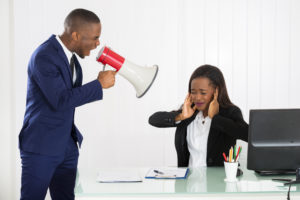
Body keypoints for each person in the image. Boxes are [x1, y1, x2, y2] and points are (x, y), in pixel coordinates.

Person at [18, 8, 116, 200]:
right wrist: (98, 85)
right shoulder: (44, 56)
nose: (98, 44)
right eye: (95, 38)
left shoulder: (70, 58)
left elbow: (71, 96)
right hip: (41, 146)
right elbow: (60, 100)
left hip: (67, 146)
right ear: (76, 35)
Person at [149, 64, 248, 167]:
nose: (197, 97)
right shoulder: (189, 112)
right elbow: (153, 119)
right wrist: (181, 116)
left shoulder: (230, 112)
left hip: (218, 181)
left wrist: (216, 118)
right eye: (193, 92)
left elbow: (247, 134)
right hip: (188, 181)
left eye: (203, 92)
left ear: (216, 92)